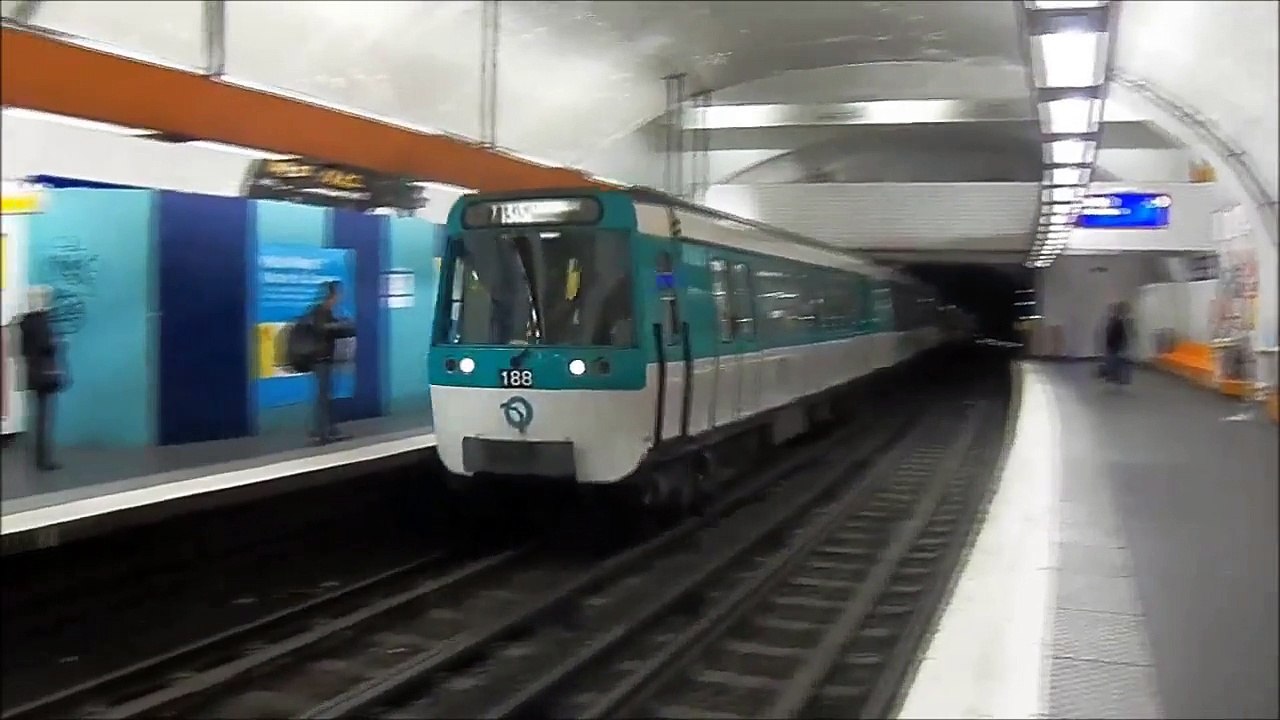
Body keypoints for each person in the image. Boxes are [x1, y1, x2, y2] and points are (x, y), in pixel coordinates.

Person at [17, 286, 64, 470]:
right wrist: (56, 342)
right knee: (44, 418)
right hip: (45, 373)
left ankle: (38, 457)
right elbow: (47, 346)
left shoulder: (25, 322)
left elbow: (24, 350)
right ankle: (43, 460)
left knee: (37, 416)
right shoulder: (42, 322)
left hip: (32, 372)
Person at [304, 281, 356, 445]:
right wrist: (339, 324)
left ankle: (326, 428)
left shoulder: (326, 311)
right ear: (332, 294)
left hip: (324, 358)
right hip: (321, 359)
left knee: (325, 395)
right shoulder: (321, 310)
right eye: (339, 293)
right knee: (324, 396)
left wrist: (342, 325)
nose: (341, 296)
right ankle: (323, 432)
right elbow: (321, 328)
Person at [1103, 301, 1132, 386]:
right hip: (1115, 345)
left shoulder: (1115, 320)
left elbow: (1112, 333)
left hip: (1114, 345)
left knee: (1116, 362)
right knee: (1118, 362)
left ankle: (1114, 377)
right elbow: (1117, 334)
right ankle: (1116, 377)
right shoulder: (1117, 321)